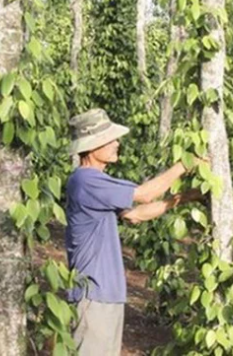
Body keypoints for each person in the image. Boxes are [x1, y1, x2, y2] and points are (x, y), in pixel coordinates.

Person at [65, 108, 206, 355]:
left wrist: (185, 197)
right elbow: (145, 194)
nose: (117, 144)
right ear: (92, 146)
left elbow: (136, 214)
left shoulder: (97, 182)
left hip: (106, 294)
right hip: (93, 295)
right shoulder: (86, 180)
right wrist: (186, 163)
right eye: (110, 140)